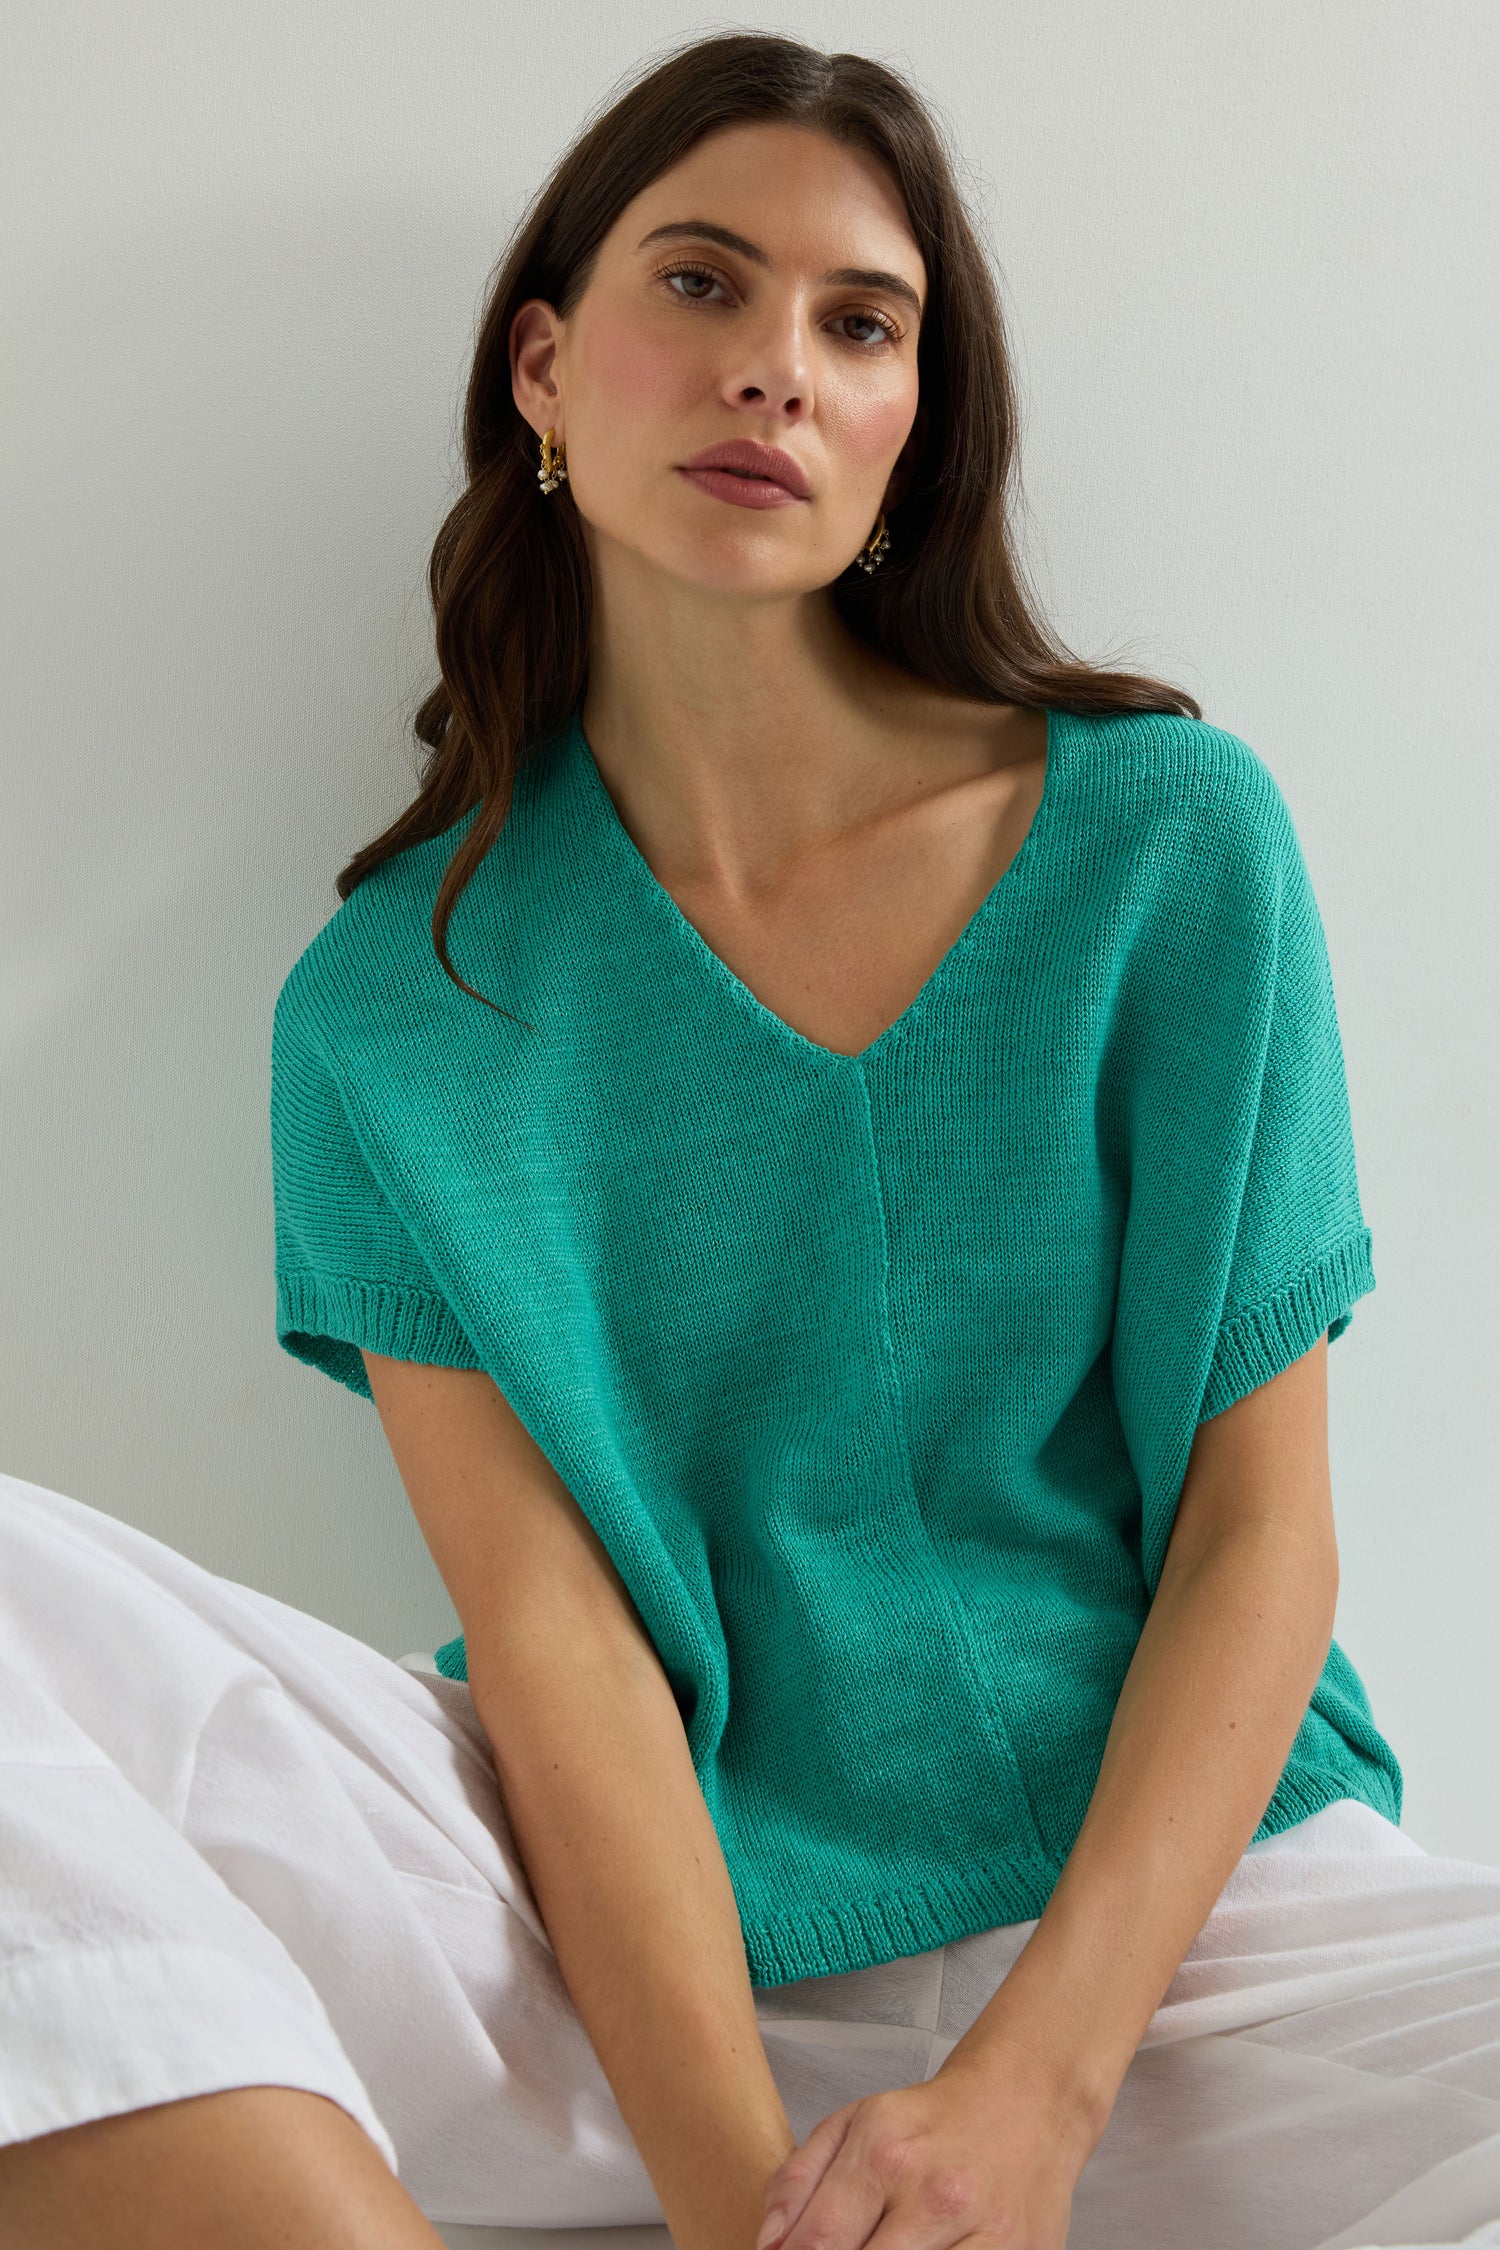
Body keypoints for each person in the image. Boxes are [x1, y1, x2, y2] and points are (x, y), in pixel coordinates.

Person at [2, 28, 1496, 2250]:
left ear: (908, 434)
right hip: (613, 1953)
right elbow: (557, 1639)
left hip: (1184, 1954)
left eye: (857, 322)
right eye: (698, 285)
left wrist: (1031, 2101)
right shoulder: (391, 1011)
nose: (772, 367)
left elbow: (1261, 1540)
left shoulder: (1166, 850)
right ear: (543, 366)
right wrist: (741, 2209)